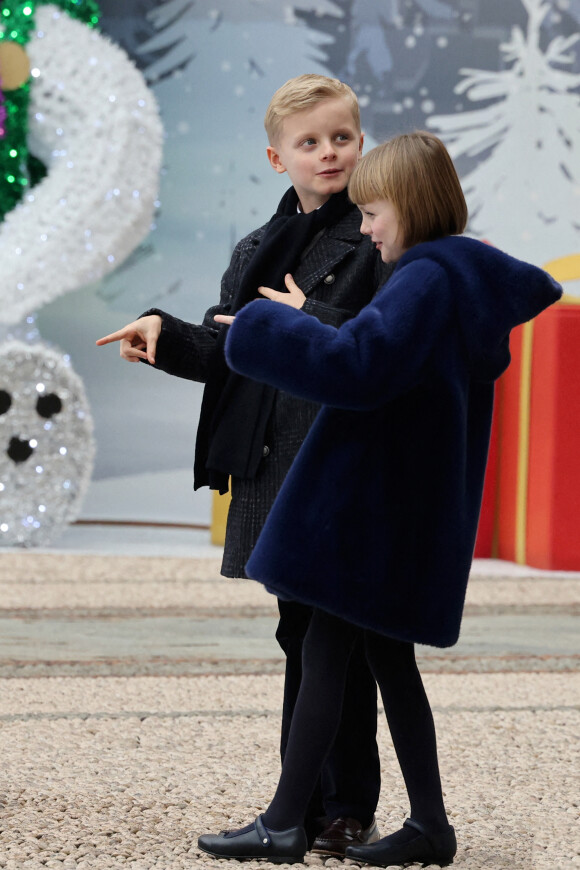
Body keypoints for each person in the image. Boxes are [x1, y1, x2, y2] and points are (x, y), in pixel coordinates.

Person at [197, 131, 563, 866]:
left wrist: (273, 327)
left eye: (373, 211)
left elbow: (360, 367)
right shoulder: (457, 278)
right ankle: (428, 825)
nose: (364, 228)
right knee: (389, 663)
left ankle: (284, 822)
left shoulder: (427, 277)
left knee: (327, 651)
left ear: (413, 202)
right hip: (404, 506)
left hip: (368, 507)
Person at [96, 74, 391, 855]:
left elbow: (389, 343)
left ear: (361, 142)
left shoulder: (378, 235)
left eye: (341, 138)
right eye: (310, 142)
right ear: (276, 157)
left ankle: (338, 806)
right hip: (271, 464)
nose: (328, 153)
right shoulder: (255, 249)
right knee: (300, 634)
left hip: (335, 458)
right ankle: (313, 802)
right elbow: (231, 350)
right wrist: (163, 333)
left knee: (337, 641)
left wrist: (313, 317)